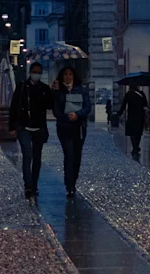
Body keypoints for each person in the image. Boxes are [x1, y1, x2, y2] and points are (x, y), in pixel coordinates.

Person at [9, 62, 53, 199]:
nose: (36, 74)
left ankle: (34, 184)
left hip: (39, 128)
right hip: (23, 127)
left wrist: (53, 92)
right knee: (27, 156)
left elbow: (50, 106)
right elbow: (14, 106)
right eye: (35, 71)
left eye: (39, 72)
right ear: (30, 72)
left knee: (37, 158)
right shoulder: (22, 87)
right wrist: (12, 127)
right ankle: (28, 186)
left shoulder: (45, 89)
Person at [52, 67, 91, 197]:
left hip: (79, 127)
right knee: (69, 155)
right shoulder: (58, 90)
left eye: (70, 74)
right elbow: (56, 110)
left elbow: (87, 107)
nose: (68, 77)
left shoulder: (81, 89)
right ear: (61, 76)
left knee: (77, 156)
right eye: (65, 75)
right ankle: (69, 185)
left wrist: (77, 115)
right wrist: (55, 93)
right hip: (64, 127)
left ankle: (73, 180)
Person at [118, 84, 149, 155]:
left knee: (132, 132)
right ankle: (136, 146)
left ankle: (134, 147)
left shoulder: (128, 94)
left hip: (131, 115)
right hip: (140, 115)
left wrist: (119, 113)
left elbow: (123, 104)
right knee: (138, 132)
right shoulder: (141, 94)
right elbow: (145, 104)